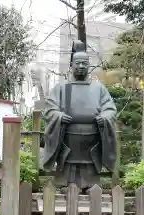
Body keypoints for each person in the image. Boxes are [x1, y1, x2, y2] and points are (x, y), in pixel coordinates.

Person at [43, 49, 117, 191]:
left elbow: (110, 109)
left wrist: (104, 117)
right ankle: (65, 184)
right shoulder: (62, 87)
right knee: (67, 162)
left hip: (93, 136)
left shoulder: (99, 88)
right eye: (78, 63)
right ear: (71, 65)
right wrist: (58, 116)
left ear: (89, 65)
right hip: (68, 135)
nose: (81, 66)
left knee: (90, 163)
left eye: (85, 63)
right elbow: (50, 108)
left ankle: (91, 185)